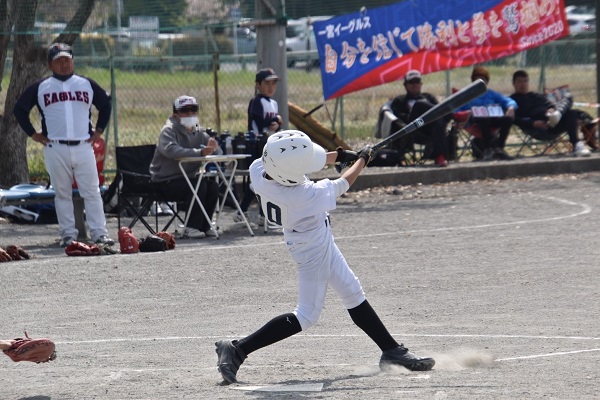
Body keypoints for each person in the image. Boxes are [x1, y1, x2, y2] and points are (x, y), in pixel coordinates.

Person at [214, 130, 435, 385]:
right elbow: (343, 184)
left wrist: (340, 156)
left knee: (352, 291)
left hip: (311, 236)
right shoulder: (303, 195)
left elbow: (298, 161)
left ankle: (391, 350)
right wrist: (362, 161)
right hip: (312, 247)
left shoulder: (259, 169)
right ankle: (238, 349)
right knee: (307, 315)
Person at [13, 42, 115, 248]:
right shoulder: (41, 87)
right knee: (62, 193)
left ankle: (99, 233)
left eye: (67, 60)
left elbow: (105, 105)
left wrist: (99, 130)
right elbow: (19, 109)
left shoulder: (85, 84)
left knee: (92, 191)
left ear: (73, 61)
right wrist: (33, 134)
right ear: (50, 64)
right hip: (55, 146)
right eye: (58, 61)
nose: (64, 64)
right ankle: (68, 235)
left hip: (83, 145)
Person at [149, 95, 222, 239]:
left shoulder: (198, 131)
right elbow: (171, 150)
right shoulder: (168, 130)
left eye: (193, 110)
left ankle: (205, 225)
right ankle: (191, 227)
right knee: (198, 186)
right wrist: (199, 152)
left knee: (212, 186)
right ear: (175, 114)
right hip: (164, 182)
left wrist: (213, 147)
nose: (190, 114)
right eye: (185, 111)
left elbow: (216, 150)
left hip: (187, 179)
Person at [233, 68, 283, 225]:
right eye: (267, 83)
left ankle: (254, 213)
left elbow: (274, 127)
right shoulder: (256, 102)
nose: (271, 87)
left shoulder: (273, 103)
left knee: (266, 179)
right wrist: (277, 119)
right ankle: (248, 212)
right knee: (260, 179)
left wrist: (278, 123)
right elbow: (262, 123)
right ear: (258, 85)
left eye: (273, 83)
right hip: (256, 145)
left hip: (269, 145)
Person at [510, 69, 592, 157]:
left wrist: (551, 109)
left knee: (570, 103)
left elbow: (549, 104)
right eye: (520, 81)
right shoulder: (512, 100)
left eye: (525, 81)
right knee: (571, 113)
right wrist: (533, 123)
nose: (523, 84)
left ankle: (576, 144)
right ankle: (558, 115)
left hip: (552, 122)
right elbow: (515, 119)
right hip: (538, 129)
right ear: (514, 84)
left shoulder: (535, 95)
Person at [455, 66, 516, 161]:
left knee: (508, 119)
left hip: (492, 118)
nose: (480, 83)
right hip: (474, 120)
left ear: (487, 82)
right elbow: (457, 109)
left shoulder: (491, 93)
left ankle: (499, 149)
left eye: (483, 80)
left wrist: (511, 108)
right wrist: (461, 117)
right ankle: (488, 150)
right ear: (473, 81)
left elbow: (508, 101)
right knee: (484, 118)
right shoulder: (467, 95)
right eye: (477, 80)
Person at [389, 69, 449, 167]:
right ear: (405, 85)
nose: (414, 84)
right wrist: (414, 111)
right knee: (420, 104)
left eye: (417, 81)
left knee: (438, 119)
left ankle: (440, 157)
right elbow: (398, 118)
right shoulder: (400, 100)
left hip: (429, 128)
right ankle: (453, 115)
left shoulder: (428, 97)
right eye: (411, 82)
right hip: (413, 128)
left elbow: (439, 113)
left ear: (421, 84)